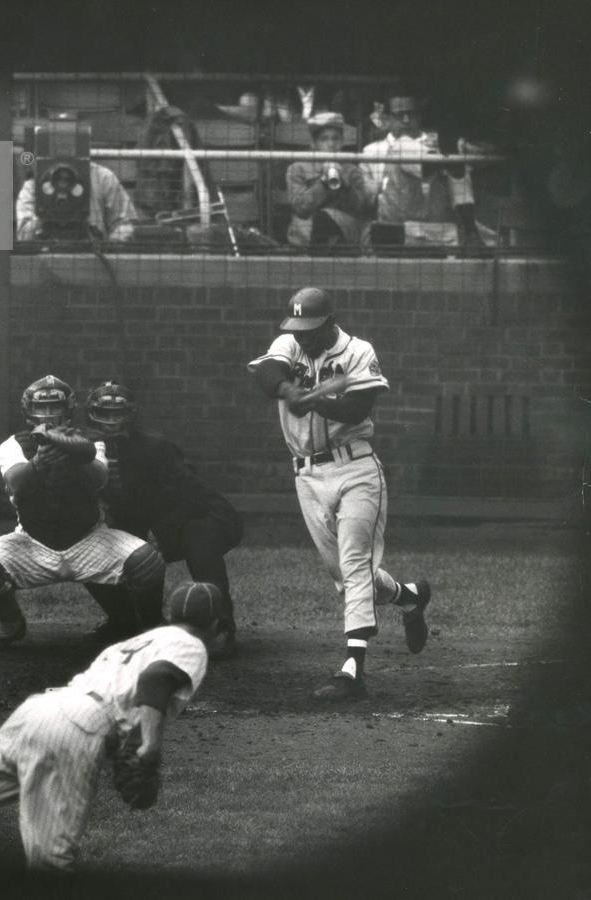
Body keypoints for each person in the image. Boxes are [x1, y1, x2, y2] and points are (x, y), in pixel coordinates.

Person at [0, 580, 223, 870]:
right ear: (216, 623)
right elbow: (155, 679)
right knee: (51, 863)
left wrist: (125, 748)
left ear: (171, 614)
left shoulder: (136, 642)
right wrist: (151, 745)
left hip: (42, 710)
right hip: (76, 726)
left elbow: (129, 695)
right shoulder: (192, 644)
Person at [246, 287, 432, 702]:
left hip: (356, 470)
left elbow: (357, 408)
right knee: (347, 577)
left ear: (331, 321)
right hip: (307, 476)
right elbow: (267, 372)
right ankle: (410, 596)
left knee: (354, 565)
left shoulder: (359, 351)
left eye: (312, 328)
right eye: (299, 328)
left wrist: (314, 402)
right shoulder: (289, 343)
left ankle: (352, 671)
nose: (304, 336)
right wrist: (286, 390)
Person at [0, 375, 165, 649]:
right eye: (42, 408)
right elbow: (16, 485)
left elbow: (99, 478)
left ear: (68, 410)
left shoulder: (92, 440)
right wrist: (37, 464)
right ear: (27, 412)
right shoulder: (13, 444)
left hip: (88, 539)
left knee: (146, 562)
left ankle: (152, 627)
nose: (49, 415)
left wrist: (77, 455)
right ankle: (10, 622)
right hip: (32, 541)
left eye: (55, 407)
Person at [82, 381, 243, 659]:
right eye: (103, 414)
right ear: (90, 414)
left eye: (118, 414)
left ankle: (221, 626)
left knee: (198, 541)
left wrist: (161, 533)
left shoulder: (155, 447)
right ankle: (126, 620)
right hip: (137, 517)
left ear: (131, 414)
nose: (111, 422)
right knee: (86, 545)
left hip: (198, 514)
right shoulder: (81, 448)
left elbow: (190, 495)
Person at [360, 93, 483, 249]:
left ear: (419, 115)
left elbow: (470, 168)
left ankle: (468, 229)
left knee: (454, 158)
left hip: (435, 224)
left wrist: (455, 150)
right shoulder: (372, 151)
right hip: (395, 224)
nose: (406, 120)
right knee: (403, 145)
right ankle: (439, 162)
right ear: (387, 119)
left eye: (411, 114)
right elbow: (367, 199)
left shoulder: (441, 142)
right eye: (399, 115)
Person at [286, 112, 368, 250]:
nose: (331, 144)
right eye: (324, 139)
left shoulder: (353, 171)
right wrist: (323, 183)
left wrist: (344, 184)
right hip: (307, 232)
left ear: (342, 141)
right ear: (314, 143)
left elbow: (359, 208)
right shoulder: (297, 168)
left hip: (343, 234)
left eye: (336, 139)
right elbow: (300, 209)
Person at [15, 162, 137, 242]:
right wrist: (44, 213)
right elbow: (23, 236)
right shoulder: (33, 184)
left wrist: (110, 248)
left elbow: (124, 224)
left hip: (93, 259)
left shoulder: (103, 177)